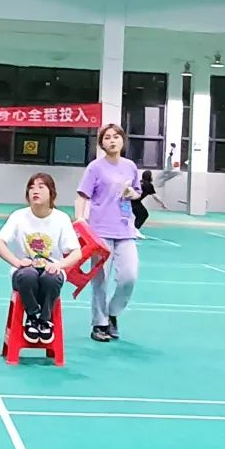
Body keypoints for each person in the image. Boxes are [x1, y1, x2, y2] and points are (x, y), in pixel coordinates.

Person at [0, 173, 82, 344]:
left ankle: (45, 320)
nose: (35, 191)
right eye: (31, 187)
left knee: (51, 278)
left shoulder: (61, 218)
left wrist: (60, 265)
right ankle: (32, 317)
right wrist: (17, 262)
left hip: (51, 270)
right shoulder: (18, 216)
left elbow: (76, 252)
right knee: (28, 275)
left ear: (51, 193)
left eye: (41, 187)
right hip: (24, 271)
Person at [74, 123, 141, 343]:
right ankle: (99, 323)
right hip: (100, 232)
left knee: (129, 276)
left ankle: (113, 313)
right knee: (100, 281)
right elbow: (82, 196)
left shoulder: (130, 166)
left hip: (125, 230)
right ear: (101, 143)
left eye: (116, 137)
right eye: (107, 138)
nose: (112, 141)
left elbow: (137, 192)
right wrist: (80, 220)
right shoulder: (95, 168)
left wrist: (132, 194)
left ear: (123, 140)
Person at [131, 170, 166, 238]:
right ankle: (134, 230)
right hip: (134, 202)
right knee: (143, 215)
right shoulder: (148, 185)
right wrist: (162, 203)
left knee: (141, 215)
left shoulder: (140, 182)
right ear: (149, 177)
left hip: (132, 201)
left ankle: (134, 230)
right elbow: (155, 196)